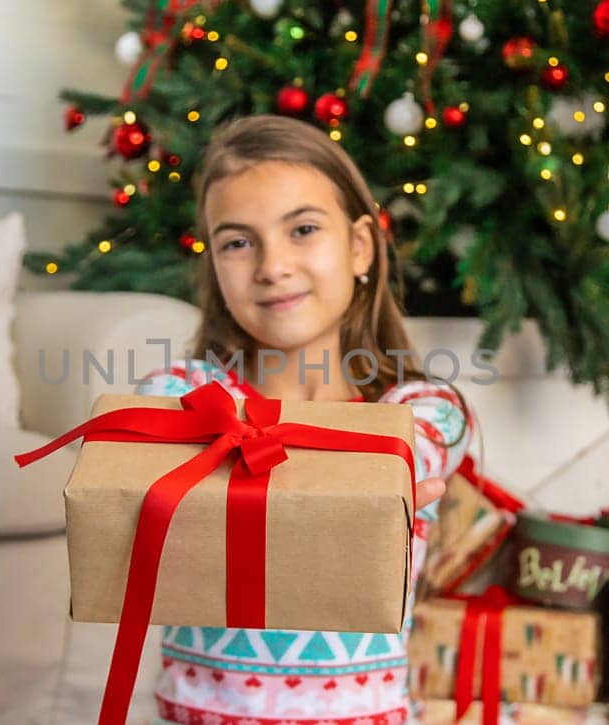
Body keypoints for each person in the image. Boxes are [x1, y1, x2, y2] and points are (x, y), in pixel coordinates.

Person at [137, 114, 475, 725]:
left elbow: (406, 452)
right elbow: (138, 436)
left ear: (359, 246)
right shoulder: (188, 392)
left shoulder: (423, 412)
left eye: (303, 230)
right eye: (238, 242)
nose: (271, 266)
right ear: (214, 263)